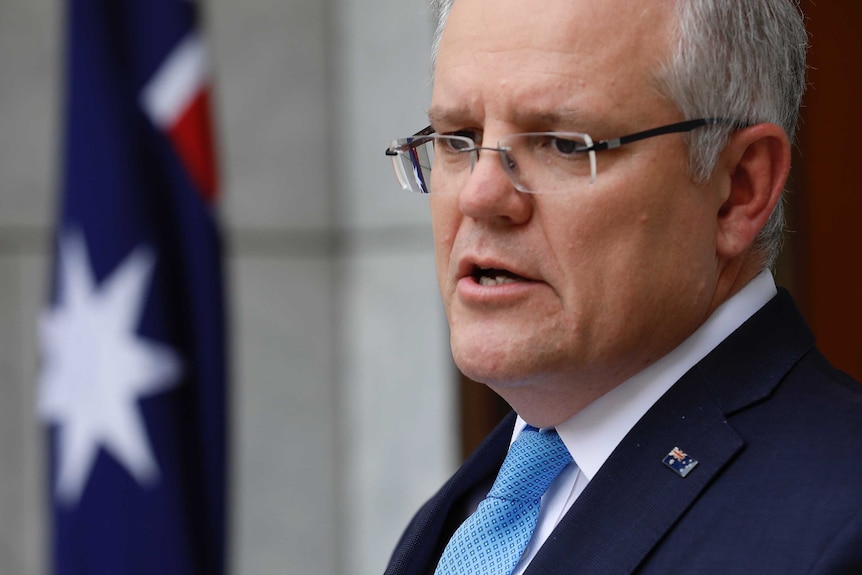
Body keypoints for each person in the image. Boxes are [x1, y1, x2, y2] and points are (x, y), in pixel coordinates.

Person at [382, 0, 862, 573]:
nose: (480, 197)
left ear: (738, 188)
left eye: (563, 143)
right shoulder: (463, 516)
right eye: (459, 139)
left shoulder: (839, 524)